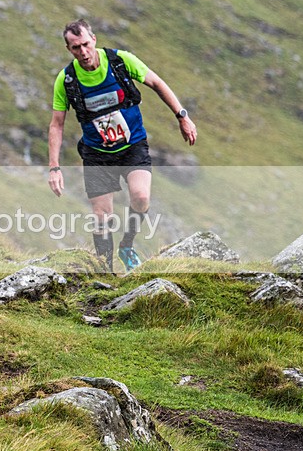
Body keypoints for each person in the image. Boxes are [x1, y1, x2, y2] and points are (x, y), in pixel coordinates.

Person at [47, 19, 197, 272]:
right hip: (97, 154)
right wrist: (54, 167)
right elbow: (56, 124)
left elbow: (157, 83)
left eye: (85, 44)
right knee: (102, 216)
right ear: (68, 49)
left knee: (140, 197)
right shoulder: (66, 80)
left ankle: (127, 245)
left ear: (94, 39)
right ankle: (105, 269)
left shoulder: (120, 61)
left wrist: (182, 116)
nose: (83, 52)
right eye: (75, 48)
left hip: (133, 146)